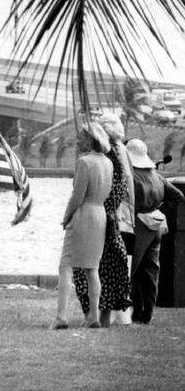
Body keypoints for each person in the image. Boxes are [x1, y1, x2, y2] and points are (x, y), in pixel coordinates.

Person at [73, 115, 133, 327]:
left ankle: (93, 316)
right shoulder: (120, 152)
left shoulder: (104, 156)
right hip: (111, 219)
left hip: (97, 215)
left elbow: (93, 189)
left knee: (86, 267)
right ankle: (104, 317)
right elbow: (123, 187)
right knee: (109, 267)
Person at [52, 124, 113, 330]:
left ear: (90, 140)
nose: (78, 142)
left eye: (81, 138)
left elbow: (77, 196)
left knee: (65, 265)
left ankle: (61, 316)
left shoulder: (84, 162)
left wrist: (66, 216)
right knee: (92, 268)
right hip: (100, 214)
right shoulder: (108, 163)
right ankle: (93, 315)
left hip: (84, 213)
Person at [127, 138, 183, 324]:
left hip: (138, 226)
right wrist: (160, 210)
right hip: (156, 226)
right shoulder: (157, 177)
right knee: (151, 272)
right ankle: (148, 314)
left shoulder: (131, 178)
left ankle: (134, 313)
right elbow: (178, 196)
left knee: (133, 271)